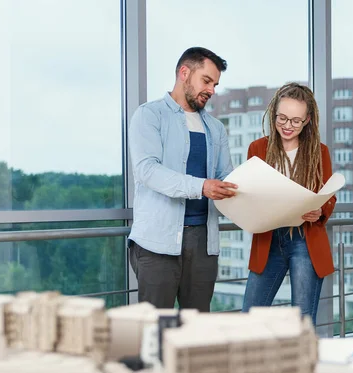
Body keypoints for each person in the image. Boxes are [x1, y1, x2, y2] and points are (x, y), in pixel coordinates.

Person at [127, 47, 237, 311]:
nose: (212, 90)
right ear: (184, 73)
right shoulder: (149, 115)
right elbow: (147, 170)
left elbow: (225, 177)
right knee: (155, 331)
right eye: (206, 81)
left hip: (203, 245)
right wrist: (201, 186)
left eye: (215, 84)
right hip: (157, 244)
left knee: (197, 332)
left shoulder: (215, 128)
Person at [241, 83, 336, 325]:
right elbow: (250, 191)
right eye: (282, 118)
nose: (287, 126)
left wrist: (320, 210)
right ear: (273, 113)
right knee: (250, 317)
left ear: (307, 121)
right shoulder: (258, 149)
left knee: (302, 322)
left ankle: (303, 363)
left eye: (295, 120)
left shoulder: (319, 151)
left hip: (306, 240)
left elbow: (329, 195)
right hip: (268, 240)